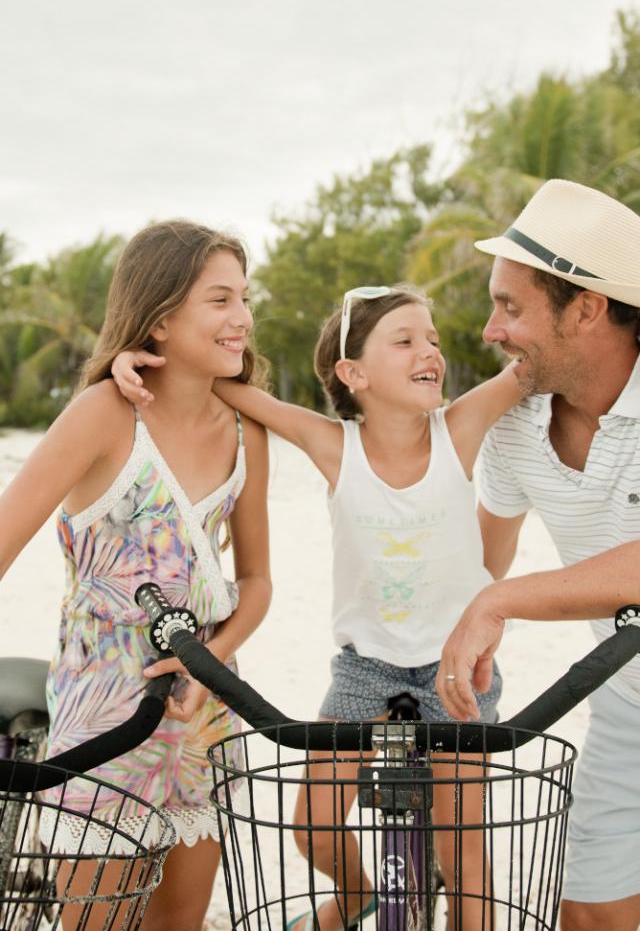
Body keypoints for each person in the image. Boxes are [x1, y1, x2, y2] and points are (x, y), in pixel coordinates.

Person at [113, 282, 527, 931]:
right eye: (406, 340)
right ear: (352, 372)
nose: (431, 351)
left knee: (465, 847)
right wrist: (133, 357)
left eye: (435, 340)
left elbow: (531, 367)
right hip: (366, 670)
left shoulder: (460, 429)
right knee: (313, 822)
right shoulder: (335, 445)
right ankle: (358, 893)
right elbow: (231, 388)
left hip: (456, 665)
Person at [3, 220, 271, 931]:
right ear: (159, 318)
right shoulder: (103, 414)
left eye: (244, 297)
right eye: (220, 299)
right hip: (102, 713)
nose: (242, 317)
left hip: (204, 711)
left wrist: (209, 662)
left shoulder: (247, 430)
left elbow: (260, 583)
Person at [435, 179, 640, 931]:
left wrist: (500, 604)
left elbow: (500, 592)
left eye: (511, 307)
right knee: (587, 912)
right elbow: (484, 561)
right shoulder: (517, 427)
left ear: (585, 308)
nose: (491, 330)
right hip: (631, 702)